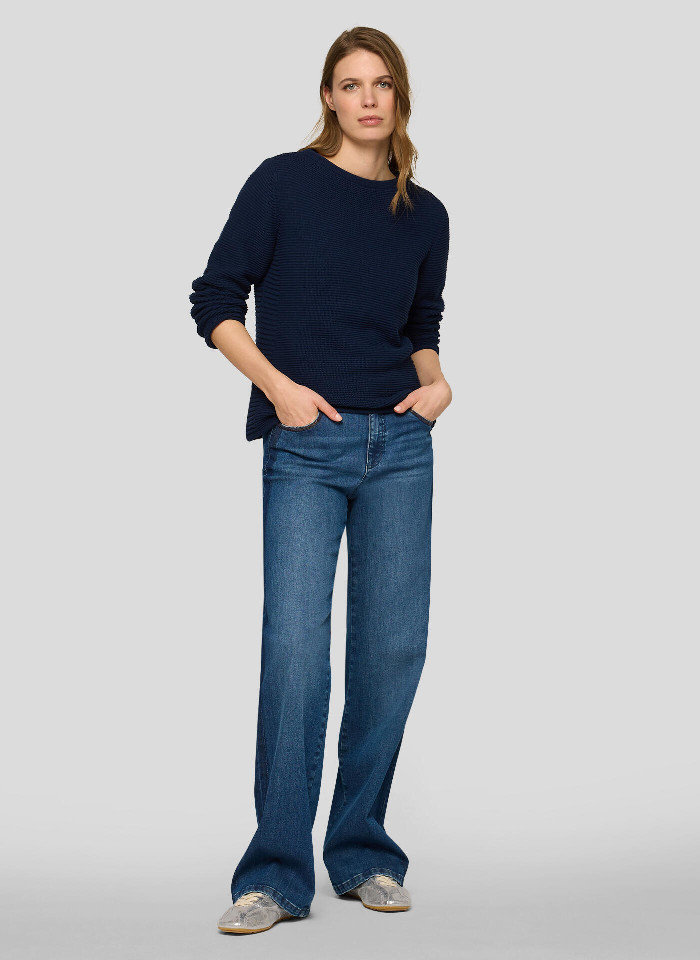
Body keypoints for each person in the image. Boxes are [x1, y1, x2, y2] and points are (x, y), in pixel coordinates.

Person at [189, 26, 451, 935]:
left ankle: (364, 851)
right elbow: (214, 300)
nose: (368, 98)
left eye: (382, 83)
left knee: (391, 652)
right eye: (351, 83)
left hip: (402, 447)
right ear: (329, 97)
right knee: (296, 655)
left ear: (399, 95)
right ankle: (274, 874)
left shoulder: (426, 213)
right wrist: (279, 389)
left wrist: (437, 381)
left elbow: (422, 322)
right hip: (306, 445)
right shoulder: (282, 184)